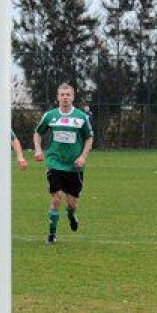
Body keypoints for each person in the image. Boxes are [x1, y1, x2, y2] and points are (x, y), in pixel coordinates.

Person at [33, 83, 94, 244]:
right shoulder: (50, 116)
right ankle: (52, 235)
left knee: (72, 203)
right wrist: (38, 149)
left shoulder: (81, 117)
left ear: (73, 97)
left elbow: (89, 138)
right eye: (62, 95)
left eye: (68, 95)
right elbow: (38, 134)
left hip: (74, 166)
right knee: (56, 198)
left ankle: (71, 214)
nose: (65, 97)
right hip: (55, 163)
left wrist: (83, 157)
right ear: (58, 97)